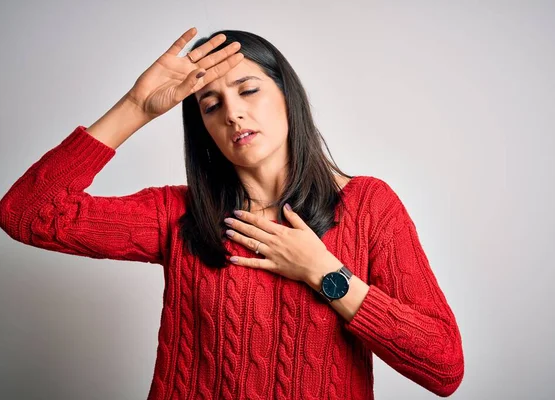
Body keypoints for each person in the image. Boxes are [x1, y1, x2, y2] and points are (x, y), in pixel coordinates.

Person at [0, 27, 464, 399]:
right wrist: (136, 107)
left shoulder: (367, 207)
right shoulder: (179, 215)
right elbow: (26, 213)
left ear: (287, 96)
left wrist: (323, 271)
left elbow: (444, 367)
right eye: (212, 104)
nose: (234, 115)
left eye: (248, 90)